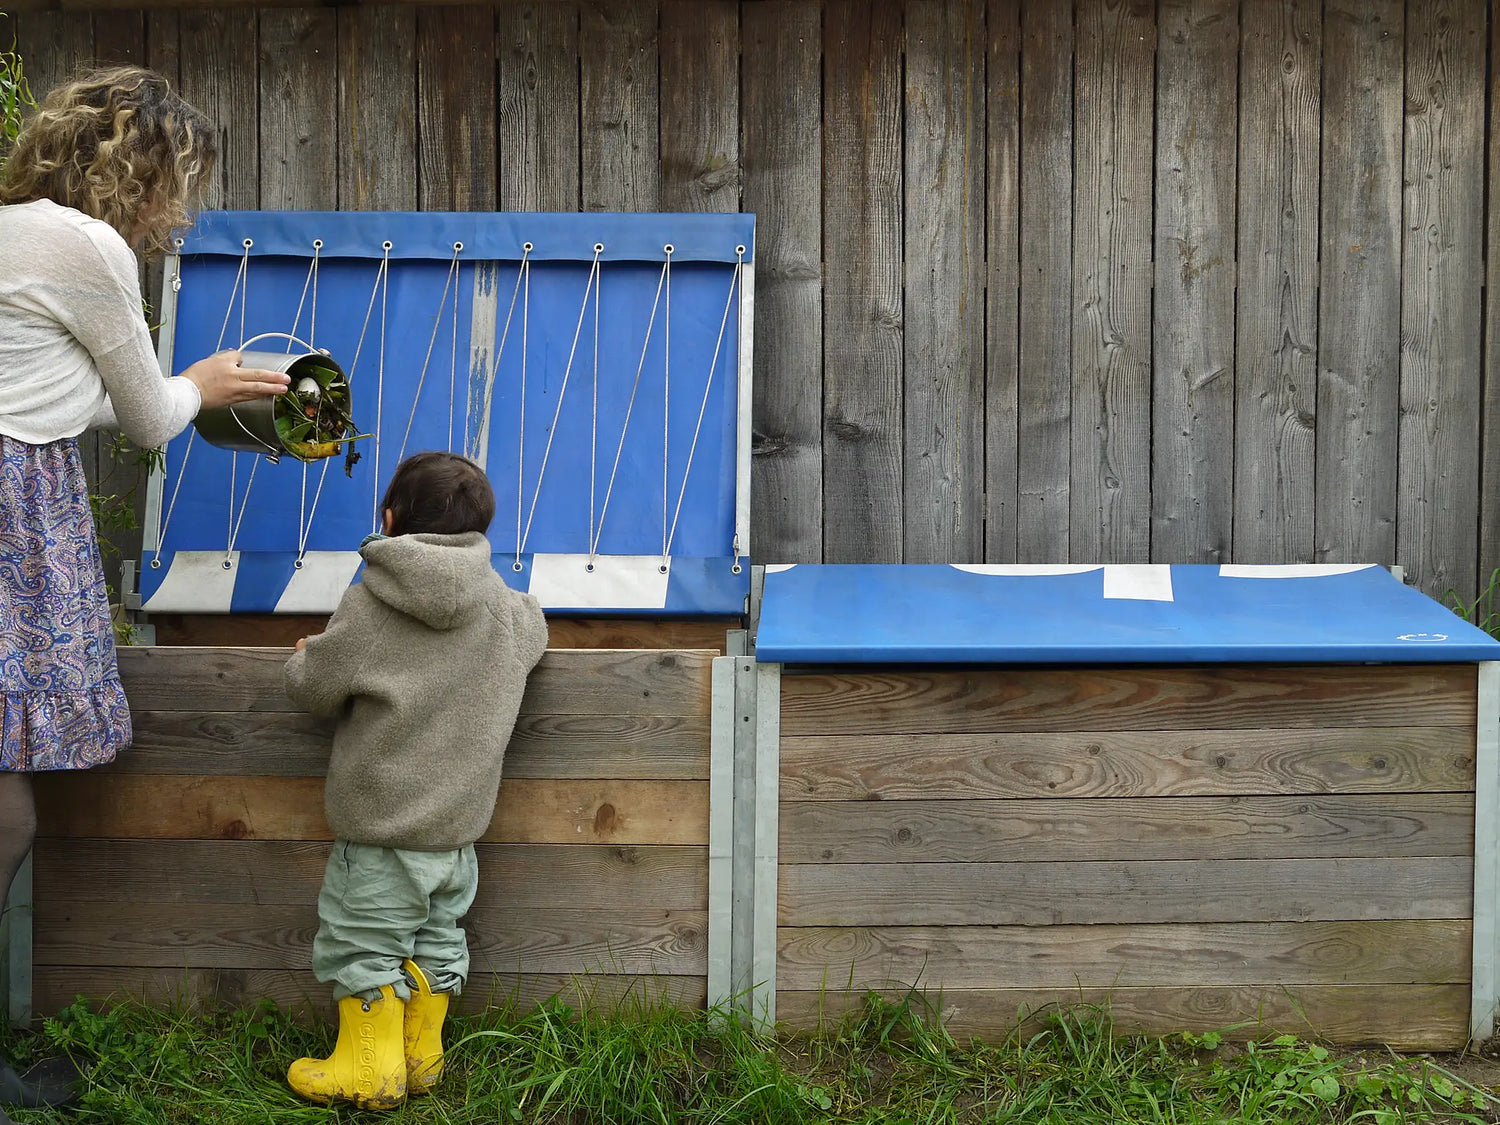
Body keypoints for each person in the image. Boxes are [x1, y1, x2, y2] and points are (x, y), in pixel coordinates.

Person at [0, 67, 289, 1118]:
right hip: (13, 512)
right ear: (137, 168)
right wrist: (207, 382)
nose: (181, 208)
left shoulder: (6, 229)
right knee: (4, 802)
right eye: (178, 180)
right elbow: (150, 417)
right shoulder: (87, 246)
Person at [282, 451, 548, 1110]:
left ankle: (367, 1073)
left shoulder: (370, 605)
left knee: (363, 946)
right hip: (456, 841)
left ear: (391, 518)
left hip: (380, 837)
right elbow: (536, 628)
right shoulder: (507, 612)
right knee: (436, 939)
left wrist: (304, 658)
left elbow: (315, 689)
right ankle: (419, 1058)